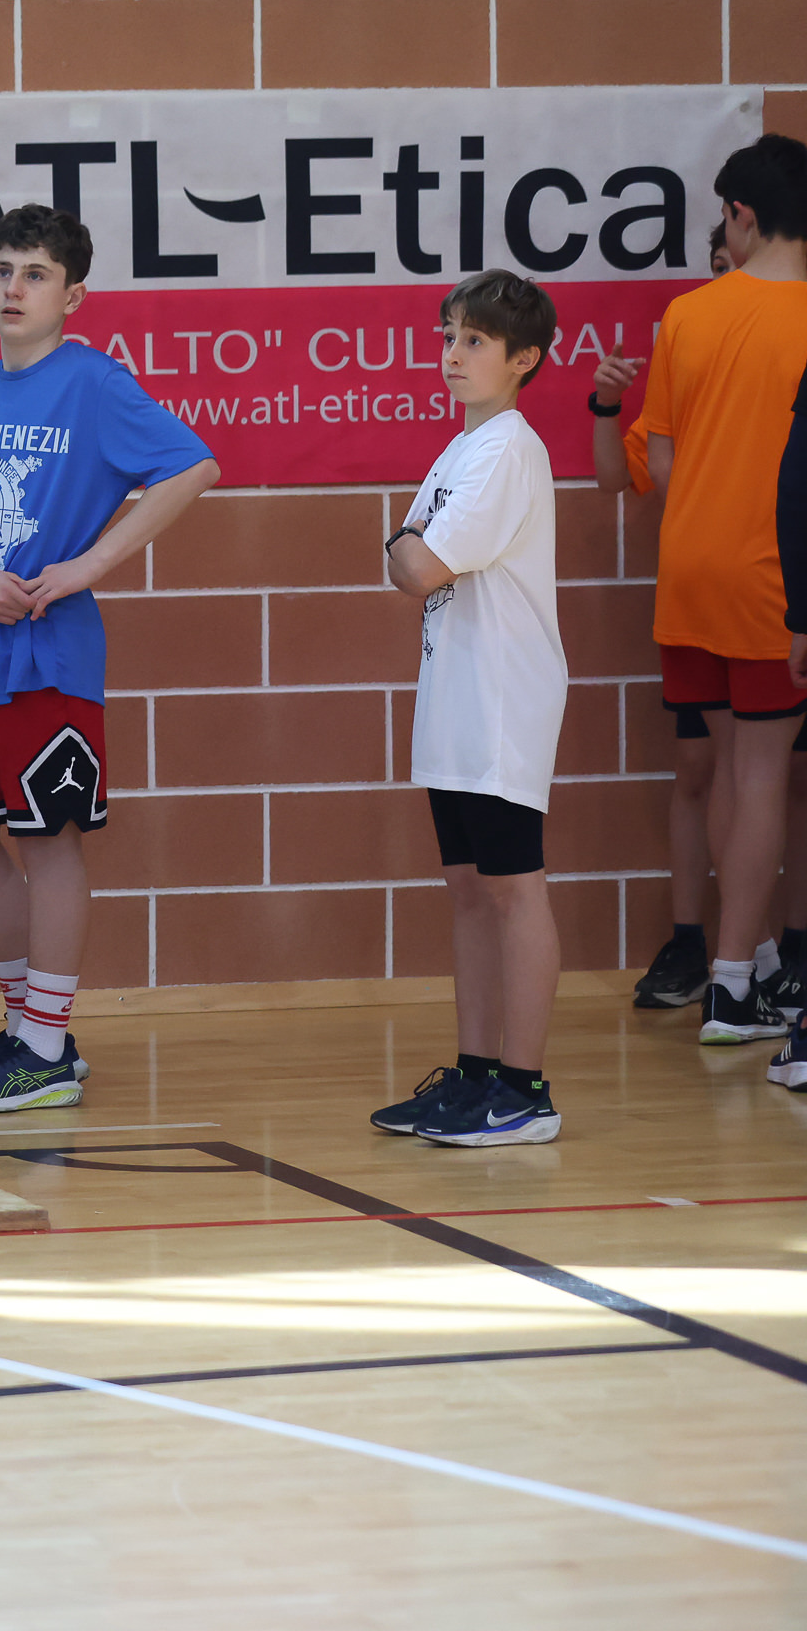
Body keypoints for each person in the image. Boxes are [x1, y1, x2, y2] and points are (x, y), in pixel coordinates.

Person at [0, 205, 218, 1111]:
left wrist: (88, 565)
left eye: (35, 274)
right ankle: (31, 1028)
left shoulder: (93, 383)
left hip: (49, 656)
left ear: (72, 295)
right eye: (2, 269)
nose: (13, 288)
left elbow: (193, 467)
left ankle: (44, 1048)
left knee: (47, 843)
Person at [373, 273, 570, 1145]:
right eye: (449, 336)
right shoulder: (461, 449)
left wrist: (405, 543)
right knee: (467, 890)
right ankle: (475, 1074)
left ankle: (524, 1091)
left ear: (524, 359)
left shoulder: (506, 451)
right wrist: (407, 546)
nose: (453, 354)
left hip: (500, 701)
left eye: (475, 341)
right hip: (452, 697)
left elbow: (416, 566)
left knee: (513, 890)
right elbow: (407, 562)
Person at [625, 135, 807, 1048]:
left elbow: (658, 462)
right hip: (773, 573)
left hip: (689, 569)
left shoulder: (686, 316)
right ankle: (733, 986)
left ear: (740, 214)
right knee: (763, 773)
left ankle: (755, 956)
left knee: (733, 767)